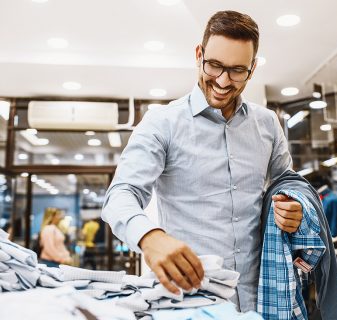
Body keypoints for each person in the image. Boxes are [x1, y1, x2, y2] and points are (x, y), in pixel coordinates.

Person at [102, 10, 303, 312]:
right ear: (199, 54)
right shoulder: (162, 123)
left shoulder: (268, 124)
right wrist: (149, 236)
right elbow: (120, 195)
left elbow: (289, 186)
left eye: (237, 70)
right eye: (215, 65)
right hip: (192, 302)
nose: (223, 81)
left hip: (263, 300)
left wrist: (294, 209)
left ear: (253, 67)